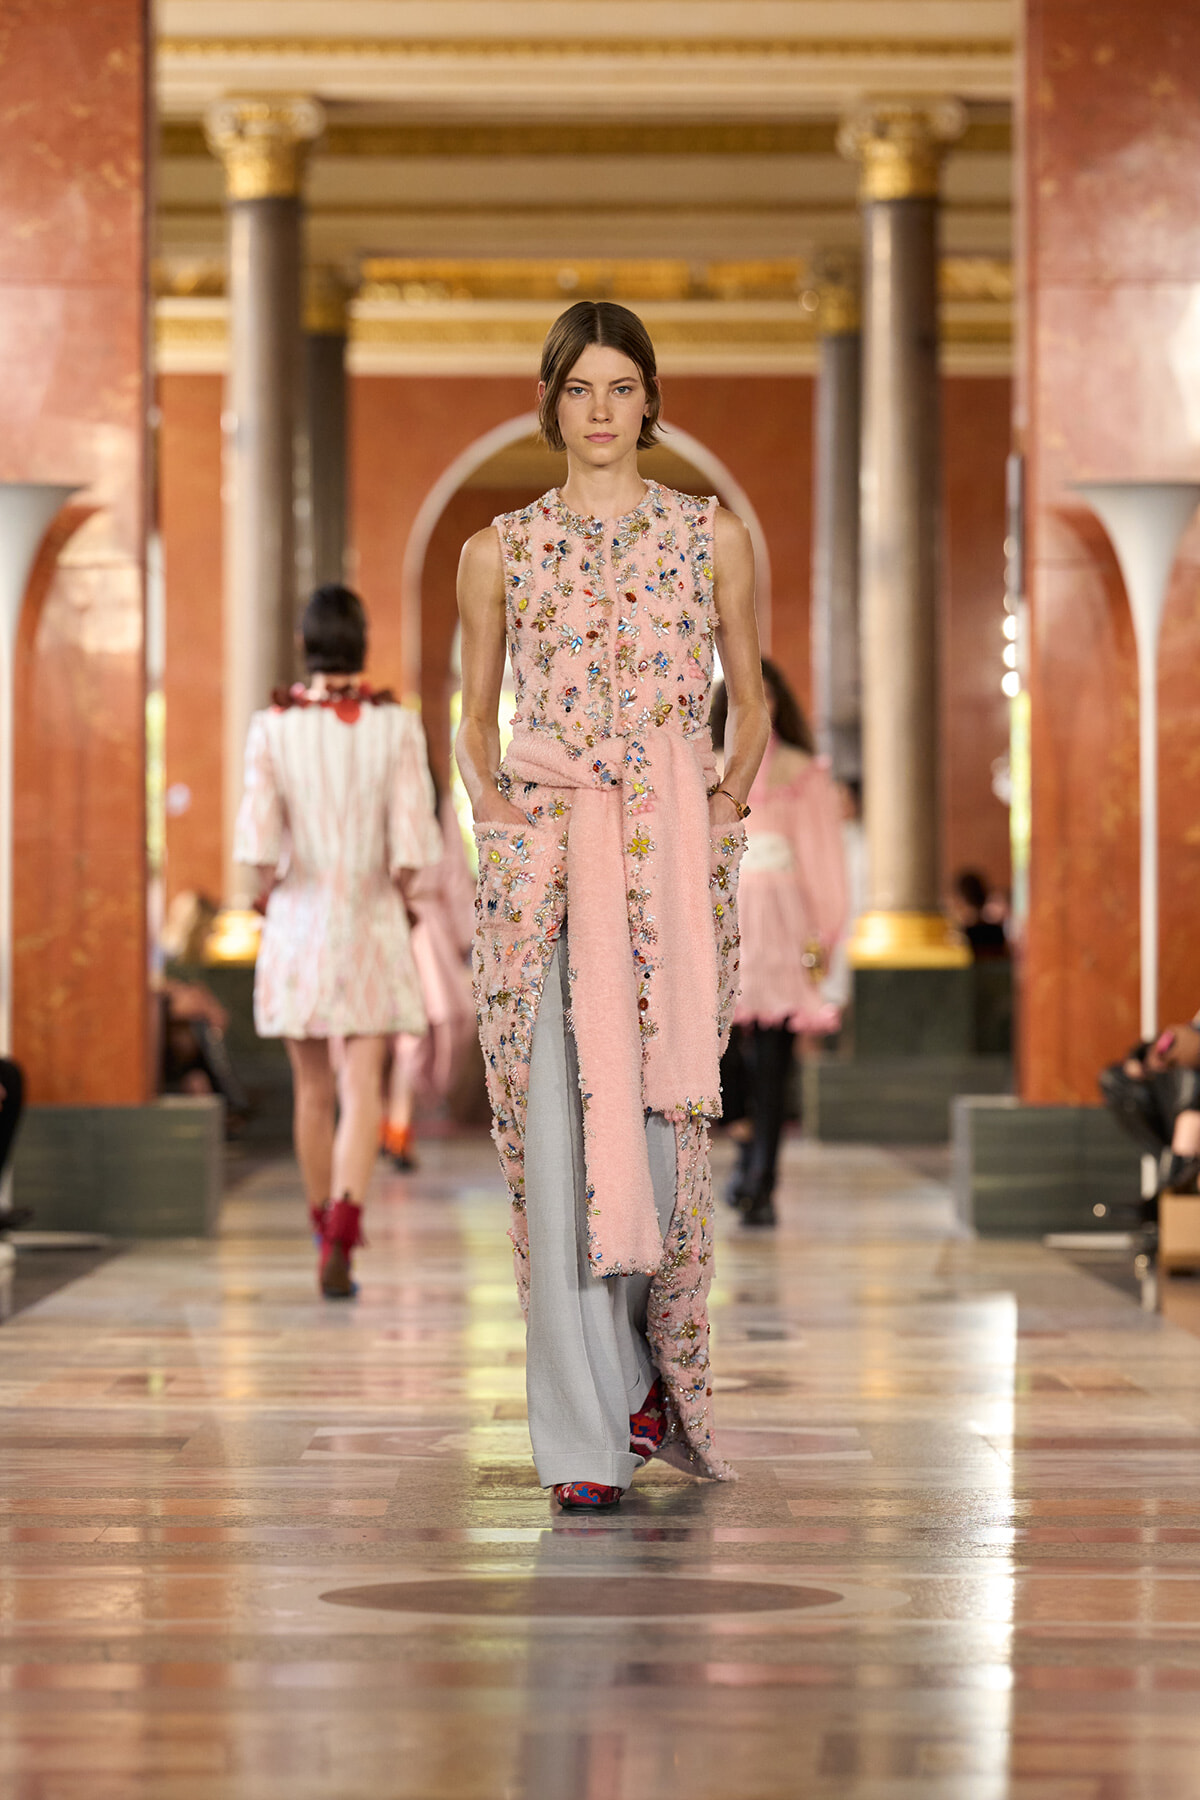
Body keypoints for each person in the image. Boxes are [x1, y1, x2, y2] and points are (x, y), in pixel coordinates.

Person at [456, 300, 768, 1512]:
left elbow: (752, 695)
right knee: (551, 1143)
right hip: (544, 878)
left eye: (621, 388)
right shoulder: (502, 551)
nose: (599, 411)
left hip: (674, 869)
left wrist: (728, 803)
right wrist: (498, 809)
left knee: (655, 1146)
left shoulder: (710, 536)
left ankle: (638, 1364)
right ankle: (583, 1442)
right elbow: (473, 720)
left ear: (651, 397)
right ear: (552, 403)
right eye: (578, 389)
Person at [235, 584, 441, 1298]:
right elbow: (414, 850)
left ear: (304, 643)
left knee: (311, 1089)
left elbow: (258, 848)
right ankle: (349, 1225)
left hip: (297, 925)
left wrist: (273, 888)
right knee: (362, 1088)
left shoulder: (272, 727)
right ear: (363, 642)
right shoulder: (397, 727)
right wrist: (396, 892)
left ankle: (321, 1222)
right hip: (371, 922)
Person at [710, 661, 847, 1226]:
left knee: (774, 1056)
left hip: (783, 921)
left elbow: (823, 859)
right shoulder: (705, 765)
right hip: (724, 912)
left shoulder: (802, 771)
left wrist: (824, 934)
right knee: (724, 1047)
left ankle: (762, 1177)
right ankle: (745, 1150)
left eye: (764, 697)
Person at [381, 785, 476, 1170]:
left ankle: (388, 1120)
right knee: (415, 1028)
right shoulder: (434, 808)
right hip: (423, 930)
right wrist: (463, 937)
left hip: (380, 922)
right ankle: (398, 1124)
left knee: (387, 1031)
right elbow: (454, 878)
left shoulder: (375, 798)